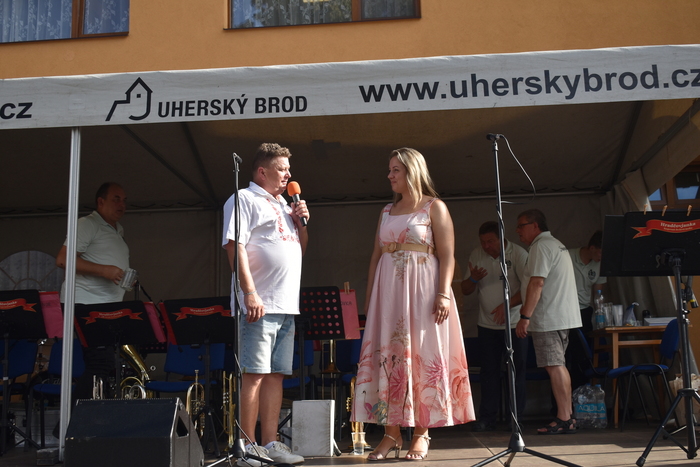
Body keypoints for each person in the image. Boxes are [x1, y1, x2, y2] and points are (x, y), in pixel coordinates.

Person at [352, 148, 474, 461]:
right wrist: (370, 299)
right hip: (389, 295)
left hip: (423, 292)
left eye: (396, 170)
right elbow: (376, 256)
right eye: (390, 169)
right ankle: (390, 433)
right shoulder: (386, 211)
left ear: (412, 171)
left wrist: (443, 293)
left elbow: (447, 255)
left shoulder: (434, 207)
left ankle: (422, 433)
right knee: (388, 357)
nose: (390, 175)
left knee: (422, 356)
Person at [222, 143, 308, 467]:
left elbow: (300, 249)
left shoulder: (285, 204)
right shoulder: (244, 199)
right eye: (282, 169)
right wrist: (250, 292)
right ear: (262, 171)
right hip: (259, 303)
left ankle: (270, 443)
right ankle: (247, 447)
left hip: (286, 305)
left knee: (276, 376)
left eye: (288, 169)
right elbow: (235, 247)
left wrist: (300, 222)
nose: (288, 174)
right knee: (255, 375)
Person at [56, 182, 129, 400]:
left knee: (103, 363)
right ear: (101, 201)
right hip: (85, 303)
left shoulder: (118, 230)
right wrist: (104, 270)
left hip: (105, 306)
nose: (122, 205)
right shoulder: (88, 224)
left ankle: (91, 414)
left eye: (124, 200)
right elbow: (63, 259)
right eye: (116, 199)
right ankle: (74, 417)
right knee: (101, 361)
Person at [514, 209, 581, 435]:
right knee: (558, 365)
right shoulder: (556, 244)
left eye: (521, 225)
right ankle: (567, 415)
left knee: (554, 366)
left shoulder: (541, 246)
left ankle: (564, 417)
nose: (518, 231)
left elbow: (537, 283)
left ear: (535, 226)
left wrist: (525, 317)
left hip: (549, 317)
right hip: (560, 316)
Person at [461, 221, 528, 432]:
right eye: (483, 242)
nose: (486, 246)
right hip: (486, 325)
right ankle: (487, 418)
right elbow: (465, 290)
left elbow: (529, 288)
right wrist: (473, 279)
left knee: (515, 372)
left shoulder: (518, 254)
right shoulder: (477, 255)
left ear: (502, 238)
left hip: (514, 323)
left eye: (490, 241)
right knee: (488, 372)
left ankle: (515, 419)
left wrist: (506, 306)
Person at [568, 230, 606, 336]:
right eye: (600, 253)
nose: (602, 257)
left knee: (585, 342)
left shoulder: (600, 265)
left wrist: (599, 314)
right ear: (592, 248)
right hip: (566, 310)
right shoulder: (567, 256)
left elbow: (598, 293)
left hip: (584, 309)